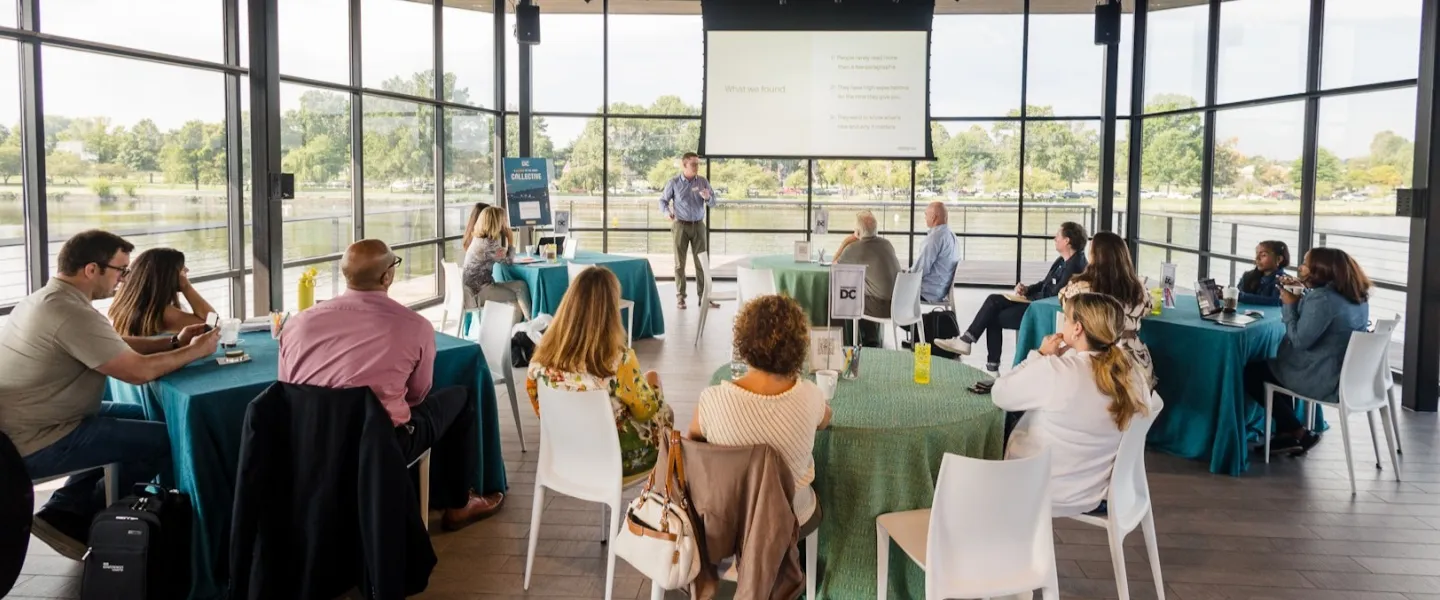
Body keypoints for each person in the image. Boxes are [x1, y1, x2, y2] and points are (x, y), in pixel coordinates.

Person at [0, 229, 220, 560]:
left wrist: (173, 343)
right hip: (37, 439)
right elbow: (137, 372)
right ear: (92, 269)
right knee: (165, 439)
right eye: (120, 270)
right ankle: (99, 525)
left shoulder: (48, 299)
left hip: (35, 420)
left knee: (144, 418)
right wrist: (196, 351)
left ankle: (65, 509)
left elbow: (111, 347)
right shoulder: (69, 312)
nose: (123, 279)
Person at [280, 239, 503, 530]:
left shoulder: (298, 324)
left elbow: (286, 388)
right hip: (381, 444)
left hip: (311, 442)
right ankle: (458, 504)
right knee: (461, 398)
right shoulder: (414, 326)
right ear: (387, 277)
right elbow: (418, 394)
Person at [991, 292, 1157, 517]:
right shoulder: (1131, 374)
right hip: (1094, 493)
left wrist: (1039, 355)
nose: (1065, 323)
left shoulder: (1057, 371)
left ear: (1077, 328)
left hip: (1040, 489)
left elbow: (1000, 394)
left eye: (1067, 319)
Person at [688, 295, 832, 524]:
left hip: (729, 516)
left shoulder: (711, 400)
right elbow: (826, 419)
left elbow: (693, 448)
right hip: (791, 515)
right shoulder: (811, 395)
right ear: (798, 347)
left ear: (743, 342)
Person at [526, 266, 674, 478]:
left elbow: (540, 407)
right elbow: (645, 411)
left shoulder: (540, 364)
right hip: (615, 461)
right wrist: (654, 383)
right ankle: (659, 497)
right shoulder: (619, 361)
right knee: (664, 408)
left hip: (565, 456)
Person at [1243, 247, 1370, 454]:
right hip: (1348, 377)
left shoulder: (1323, 300)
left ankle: (1298, 431)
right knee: (1275, 367)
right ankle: (1287, 433)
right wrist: (1303, 294)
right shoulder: (1356, 296)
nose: (1300, 267)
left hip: (1322, 377)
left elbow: (1298, 341)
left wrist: (1290, 305)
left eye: (1305, 263)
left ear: (1321, 270)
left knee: (1253, 371)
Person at [938, 222, 1090, 373]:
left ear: (1067, 240)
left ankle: (983, 359)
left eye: (1058, 235)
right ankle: (972, 347)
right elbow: (1044, 284)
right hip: (1035, 302)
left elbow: (1054, 295)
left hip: (1040, 311)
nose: (1054, 238)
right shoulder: (1061, 261)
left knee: (992, 314)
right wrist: (1027, 290)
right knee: (993, 301)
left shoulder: (1075, 266)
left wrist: (1030, 297)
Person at [1058, 232, 1155, 387]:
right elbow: (1148, 308)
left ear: (1094, 256)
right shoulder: (1139, 288)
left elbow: (1064, 300)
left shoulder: (1082, 288)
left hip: (1098, 363)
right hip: (1136, 363)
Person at [108, 247, 219, 336]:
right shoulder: (163, 313)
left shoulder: (128, 305)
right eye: (182, 268)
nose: (186, 270)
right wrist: (186, 286)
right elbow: (213, 324)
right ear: (167, 276)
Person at [658, 152, 717, 310]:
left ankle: (704, 297)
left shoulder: (703, 181)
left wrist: (708, 197)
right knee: (680, 264)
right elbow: (663, 201)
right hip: (680, 226)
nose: (697, 167)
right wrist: (666, 213)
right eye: (694, 164)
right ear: (684, 165)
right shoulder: (674, 182)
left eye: (698, 164)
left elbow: (714, 202)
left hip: (698, 226)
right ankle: (681, 298)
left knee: (702, 263)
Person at [833, 211, 901, 348]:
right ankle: (871, 337)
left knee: (848, 297)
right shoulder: (887, 244)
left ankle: (851, 341)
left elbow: (835, 265)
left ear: (857, 232)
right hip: (901, 304)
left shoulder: (854, 248)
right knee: (867, 291)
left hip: (882, 308)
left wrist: (846, 241)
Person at [462, 205, 532, 320]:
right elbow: (509, 261)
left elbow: (500, 256)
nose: (504, 224)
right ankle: (516, 331)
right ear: (495, 223)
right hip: (479, 292)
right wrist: (510, 240)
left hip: (474, 289)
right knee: (516, 297)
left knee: (521, 285)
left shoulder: (479, 240)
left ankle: (528, 323)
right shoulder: (488, 244)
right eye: (502, 221)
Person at [911, 201, 958, 303]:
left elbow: (919, 270)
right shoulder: (952, 237)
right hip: (941, 290)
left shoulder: (935, 238)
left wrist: (902, 274)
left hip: (926, 293)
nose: (925, 218)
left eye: (926, 215)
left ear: (934, 217)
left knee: (889, 288)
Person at [1236, 240, 1291, 307]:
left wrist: (1243, 297)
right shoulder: (1247, 276)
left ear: (1279, 259)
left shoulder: (1286, 281)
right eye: (1256, 254)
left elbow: (1278, 302)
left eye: (1263, 255)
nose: (1257, 258)